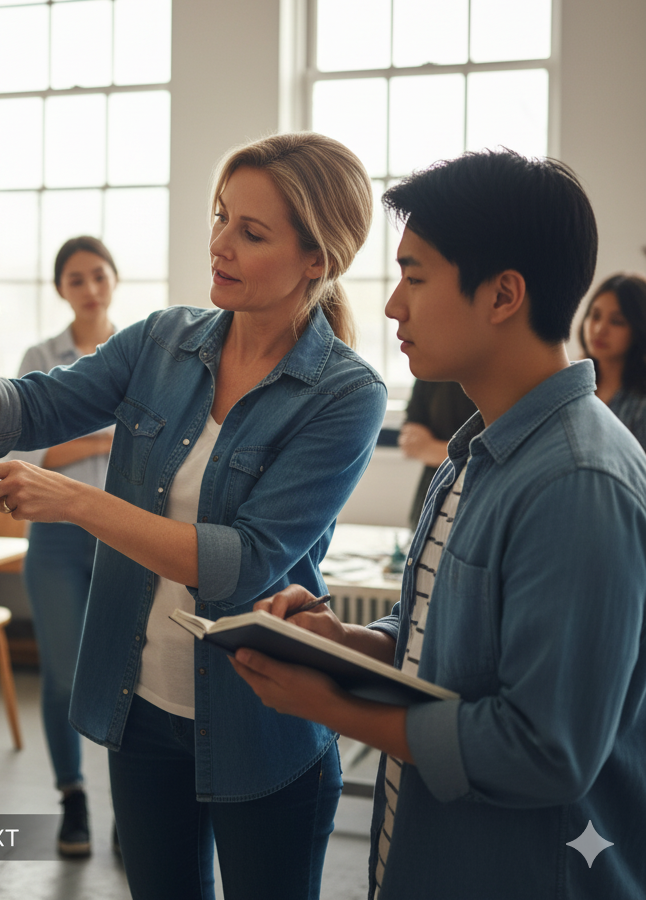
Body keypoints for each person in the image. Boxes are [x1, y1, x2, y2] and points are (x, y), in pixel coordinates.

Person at [0, 132, 387, 900]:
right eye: (220, 217)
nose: (219, 243)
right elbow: (34, 405)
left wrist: (76, 502)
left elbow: (240, 562)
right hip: (143, 712)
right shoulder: (162, 340)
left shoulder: (346, 394)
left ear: (317, 260)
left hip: (265, 723)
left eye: (251, 233)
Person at [229, 149, 646, 900]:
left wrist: (332, 707)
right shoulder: (479, 452)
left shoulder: (579, 481)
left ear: (503, 295)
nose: (392, 305)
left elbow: (544, 751)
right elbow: (453, 636)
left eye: (415, 277)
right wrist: (349, 645)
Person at [11, 235, 117, 855]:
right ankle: (72, 798)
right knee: (63, 677)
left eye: (98, 276)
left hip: (121, 537)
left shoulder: (140, 355)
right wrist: (101, 441)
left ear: (113, 281)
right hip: (53, 541)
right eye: (76, 279)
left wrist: (76, 441)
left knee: (132, 676)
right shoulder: (39, 356)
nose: (89, 288)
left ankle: (130, 810)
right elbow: (28, 455)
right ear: (61, 290)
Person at [578, 272, 646, 450]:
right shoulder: (572, 387)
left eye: (616, 321)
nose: (600, 329)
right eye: (595, 316)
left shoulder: (640, 406)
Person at [398, 380, 475, 528]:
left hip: (476, 503)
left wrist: (430, 449)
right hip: (429, 500)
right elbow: (410, 443)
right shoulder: (429, 371)